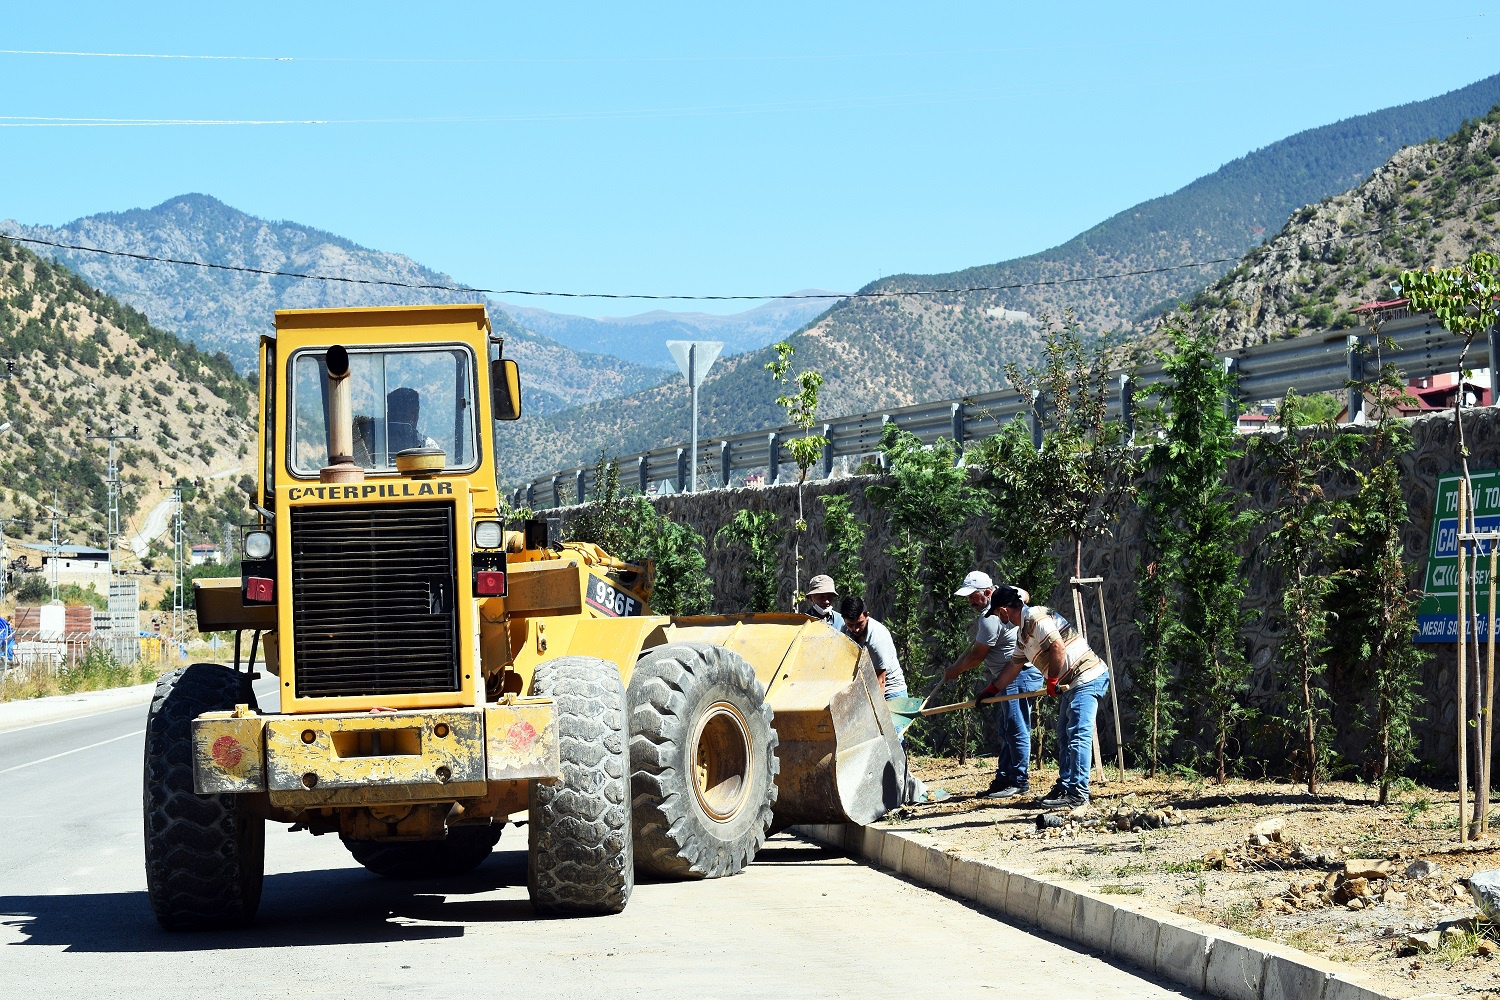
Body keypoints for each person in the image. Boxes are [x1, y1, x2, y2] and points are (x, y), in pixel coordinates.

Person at [985, 585, 1109, 808]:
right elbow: (1014, 667)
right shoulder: (1023, 635)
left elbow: (1058, 647)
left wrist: (1052, 680)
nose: (998, 619)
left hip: (1087, 677)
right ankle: (1066, 785)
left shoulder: (1036, 617)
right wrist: (992, 689)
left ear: (1004, 610)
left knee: (1078, 735)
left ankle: (1078, 793)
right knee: (1064, 736)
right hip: (1072, 684)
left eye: (996, 614)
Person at [944, 571, 1043, 799]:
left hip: (1017, 675)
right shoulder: (1009, 597)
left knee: (1016, 728)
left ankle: (1018, 780)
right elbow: (1025, 594)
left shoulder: (989, 619)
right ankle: (1004, 778)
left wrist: (955, 670)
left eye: (973, 597)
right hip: (1014, 675)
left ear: (988, 593)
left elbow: (977, 657)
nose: (969, 602)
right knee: (1008, 728)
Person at [839, 595, 907, 699]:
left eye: (859, 624)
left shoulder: (877, 639)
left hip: (890, 692)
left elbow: (880, 681)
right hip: (865, 689)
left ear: (866, 615)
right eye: (850, 625)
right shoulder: (845, 632)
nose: (855, 629)